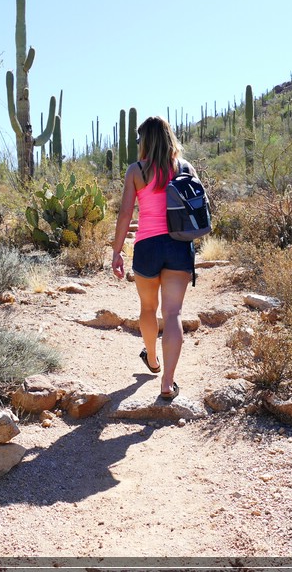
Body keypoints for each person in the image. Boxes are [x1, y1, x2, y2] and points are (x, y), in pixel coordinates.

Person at [111, 116, 197, 401]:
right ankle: (167, 383)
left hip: (147, 246)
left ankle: (152, 360)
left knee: (148, 308)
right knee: (173, 314)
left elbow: (125, 214)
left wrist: (117, 250)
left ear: (145, 141)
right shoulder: (185, 168)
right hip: (178, 245)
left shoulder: (136, 171)